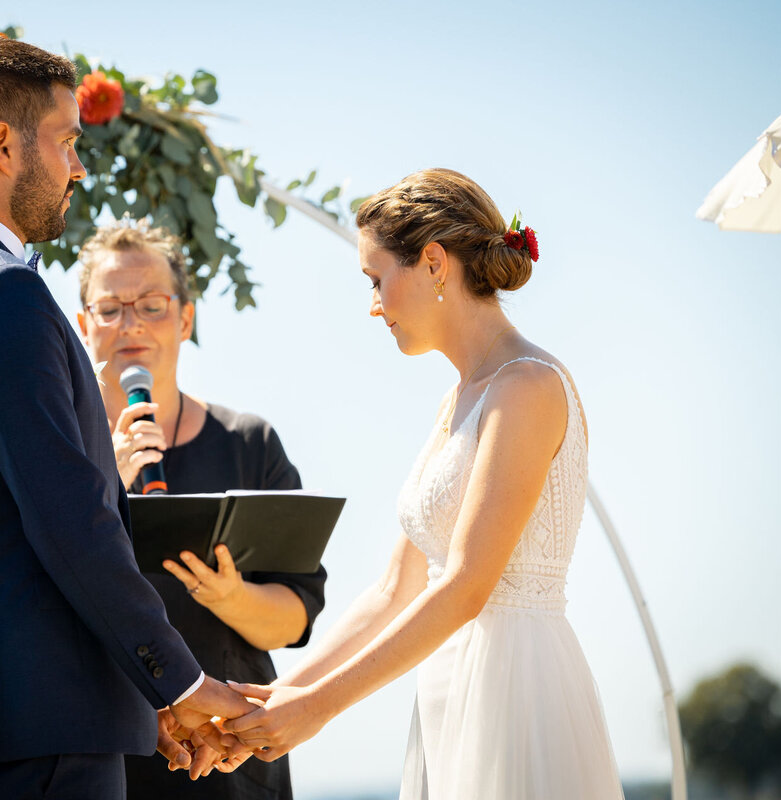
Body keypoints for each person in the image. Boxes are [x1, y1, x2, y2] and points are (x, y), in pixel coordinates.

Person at [0, 36, 251, 800]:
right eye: (68, 140)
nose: (79, 166)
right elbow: (71, 521)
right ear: (4, 144)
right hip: (36, 734)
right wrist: (173, 681)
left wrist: (146, 702)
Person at [217, 169, 625, 799]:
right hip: (448, 693)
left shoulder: (527, 388)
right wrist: (285, 695)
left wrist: (318, 710)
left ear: (434, 263)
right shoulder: (458, 399)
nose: (374, 304)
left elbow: (464, 587)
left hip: (517, 689)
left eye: (377, 279)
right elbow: (394, 589)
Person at [75, 220, 328, 799]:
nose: (131, 323)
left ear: (185, 319)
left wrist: (230, 596)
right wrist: (103, 478)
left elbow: (296, 618)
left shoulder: (249, 443)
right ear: (85, 325)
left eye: (152, 304)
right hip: (101, 753)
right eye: (110, 308)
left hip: (228, 757)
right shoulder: (58, 451)